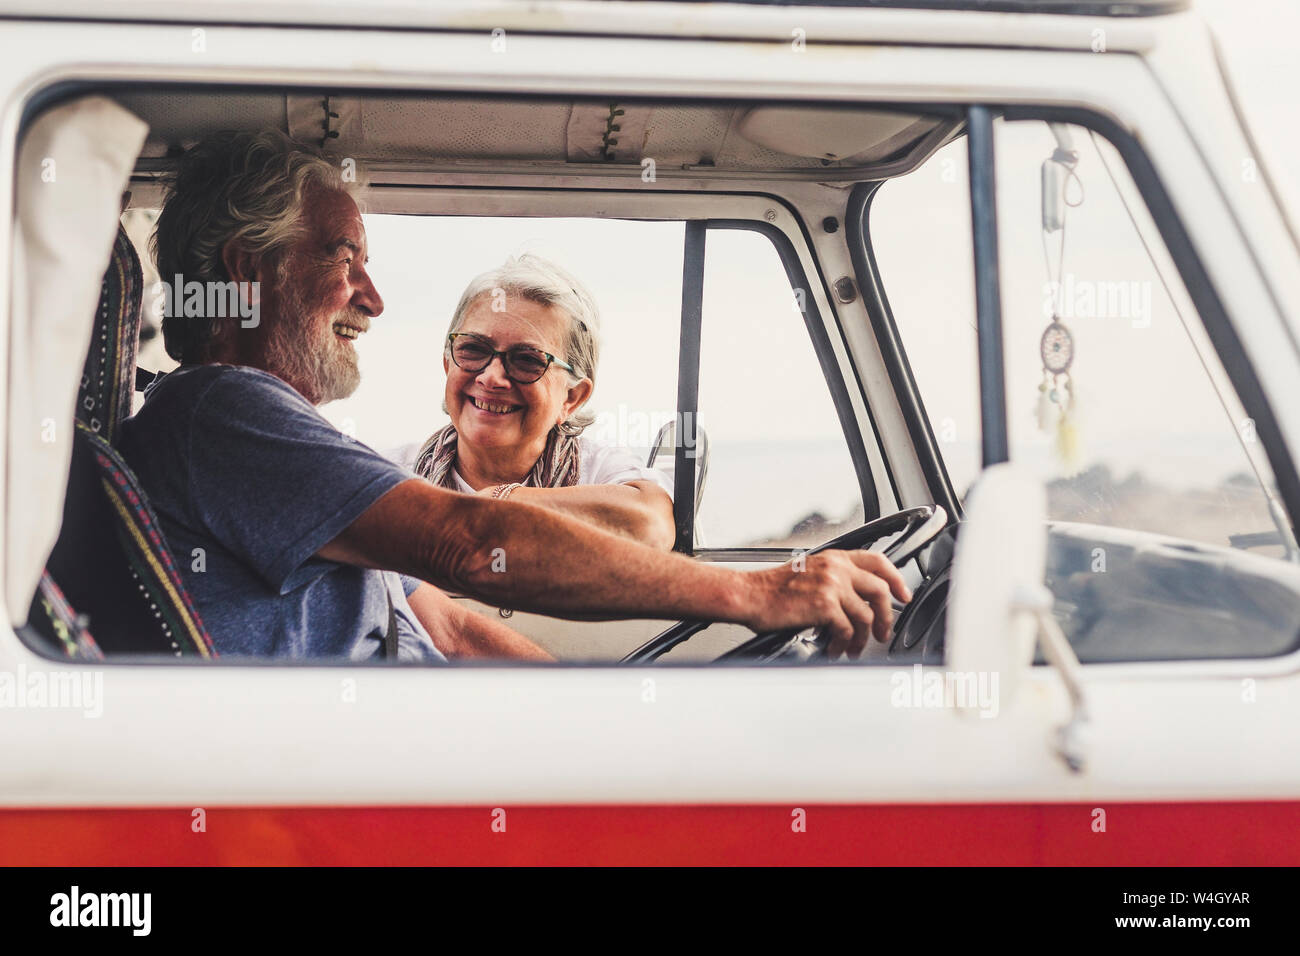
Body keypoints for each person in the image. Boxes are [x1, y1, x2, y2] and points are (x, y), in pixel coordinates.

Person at [117, 130, 909, 664]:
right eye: (344, 257)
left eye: (528, 362)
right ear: (248, 271)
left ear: (576, 393)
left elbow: (450, 623)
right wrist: (757, 589)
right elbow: (468, 543)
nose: (374, 297)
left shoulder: (277, 438)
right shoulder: (221, 415)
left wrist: (610, 726)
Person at [391, 254, 674, 550]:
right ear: (448, 364)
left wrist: (499, 503)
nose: (492, 378)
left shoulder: (598, 473)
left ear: (572, 398)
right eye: (473, 349)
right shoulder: (392, 474)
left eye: (527, 360)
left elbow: (651, 525)